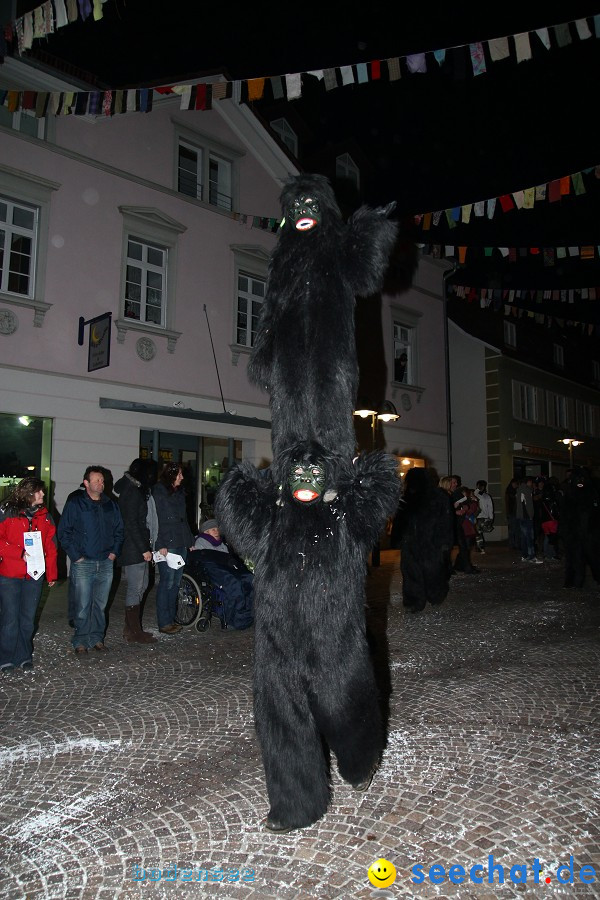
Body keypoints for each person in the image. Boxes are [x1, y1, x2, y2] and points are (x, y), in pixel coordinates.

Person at [58, 467, 124, 653]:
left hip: (105, 562)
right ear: (86, 483)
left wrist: (113, 553)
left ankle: (96, 638)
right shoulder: (76, 504)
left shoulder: (111, 505)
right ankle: (80, 640)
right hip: (83, 563)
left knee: (100, 604)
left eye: (102, 481)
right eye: (96, 480)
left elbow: (119, 530)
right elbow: (64, 531)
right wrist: (76, 556)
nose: (100, 484)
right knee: (82, 604)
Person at [0, 477, 57, 673]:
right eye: (39, 491)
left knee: (27, 618)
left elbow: (50, 545)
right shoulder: (7, 512)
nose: (43, 494)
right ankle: (5, 657)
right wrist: (17, 553)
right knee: (10, 618)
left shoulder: (45, 516)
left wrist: (51, 574)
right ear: (28, 493)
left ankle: (23, 656)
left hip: (34, 575)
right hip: (10, 574)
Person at [392, 468, 454, 613]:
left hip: (422, 542)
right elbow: (446, 521)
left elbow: (445, 521)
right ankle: (428, 597)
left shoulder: (412, 497)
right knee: (427, 571)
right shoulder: (437, 496)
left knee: (416, 572)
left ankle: (417, 600)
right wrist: (445, 542)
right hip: (425, 543)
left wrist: (398, 539)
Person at [114, 458, 158, 644]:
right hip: (134, 548)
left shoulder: (133, 489)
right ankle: (133, 631)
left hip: (135, 547)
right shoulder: (132, 492)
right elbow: (131, 523)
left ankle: (130, 629)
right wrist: (143, 549)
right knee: (136, 587)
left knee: (141, 585)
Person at [152, 462, 193, 634]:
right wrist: (160, 543)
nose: (182, 477)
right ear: (172, 475)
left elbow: (184, 518)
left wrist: (189, 540)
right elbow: (157, 518)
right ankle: (164, 622)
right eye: (179, 474)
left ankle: (171, 618)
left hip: (180, 541)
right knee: (167, 583)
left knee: (175, 583)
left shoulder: (179, 493)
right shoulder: (159, 491)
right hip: (168, 543)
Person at [190, 518, 254, 629]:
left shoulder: (222, 544)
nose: (216, 531)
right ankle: (233, 619)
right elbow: (204, 559)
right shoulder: (201, 542)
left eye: (217, 529)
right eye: (213, 529)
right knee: (235, 584)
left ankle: (247, 616)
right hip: (213, 569)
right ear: (206, 532)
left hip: (225, 567)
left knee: (249, 579)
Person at [559, 466, 600, 589]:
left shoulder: (592, 493)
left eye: (582, 478)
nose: (580, 482)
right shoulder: (570, 494)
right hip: (575, 533)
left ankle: (596, 578)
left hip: (589, 533)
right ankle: (572, 581)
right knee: (573, 558)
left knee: (593, 557)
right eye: (578, 479)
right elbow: (565, 514)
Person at [515, 476, 542, 564]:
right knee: (530, 537)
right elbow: (527, 505)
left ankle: (525, 555)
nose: (532, 484)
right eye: (531, 482)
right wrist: (530, 515)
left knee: (524, 537)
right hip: (526, 517)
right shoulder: (526, 490)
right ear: (528, 482)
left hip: (521, 516)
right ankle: (531, 556)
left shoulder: (519, 489)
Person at [474, 479, 494, 554]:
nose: (481, 488)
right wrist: (477, 489)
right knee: (478, 533)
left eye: (482, 486)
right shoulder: (475, 494)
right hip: (477, 516)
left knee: (479, 533)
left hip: (484, 517)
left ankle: (480, 547)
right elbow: (474, 494)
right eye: (480, 486)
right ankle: (480, 547)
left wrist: (491, 517)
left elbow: (490, 507)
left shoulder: (487, 496)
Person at [504, 477, 520, 551]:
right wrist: (507, 513)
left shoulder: (517, 491)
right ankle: (512, 544)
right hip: (511, 512)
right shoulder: (509, 492)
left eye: (516, 484)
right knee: (512, 530)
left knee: (516, 529)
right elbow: (507, 503)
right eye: (514, 483)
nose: (515, 485)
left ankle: (516, 544)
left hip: (516, 512)